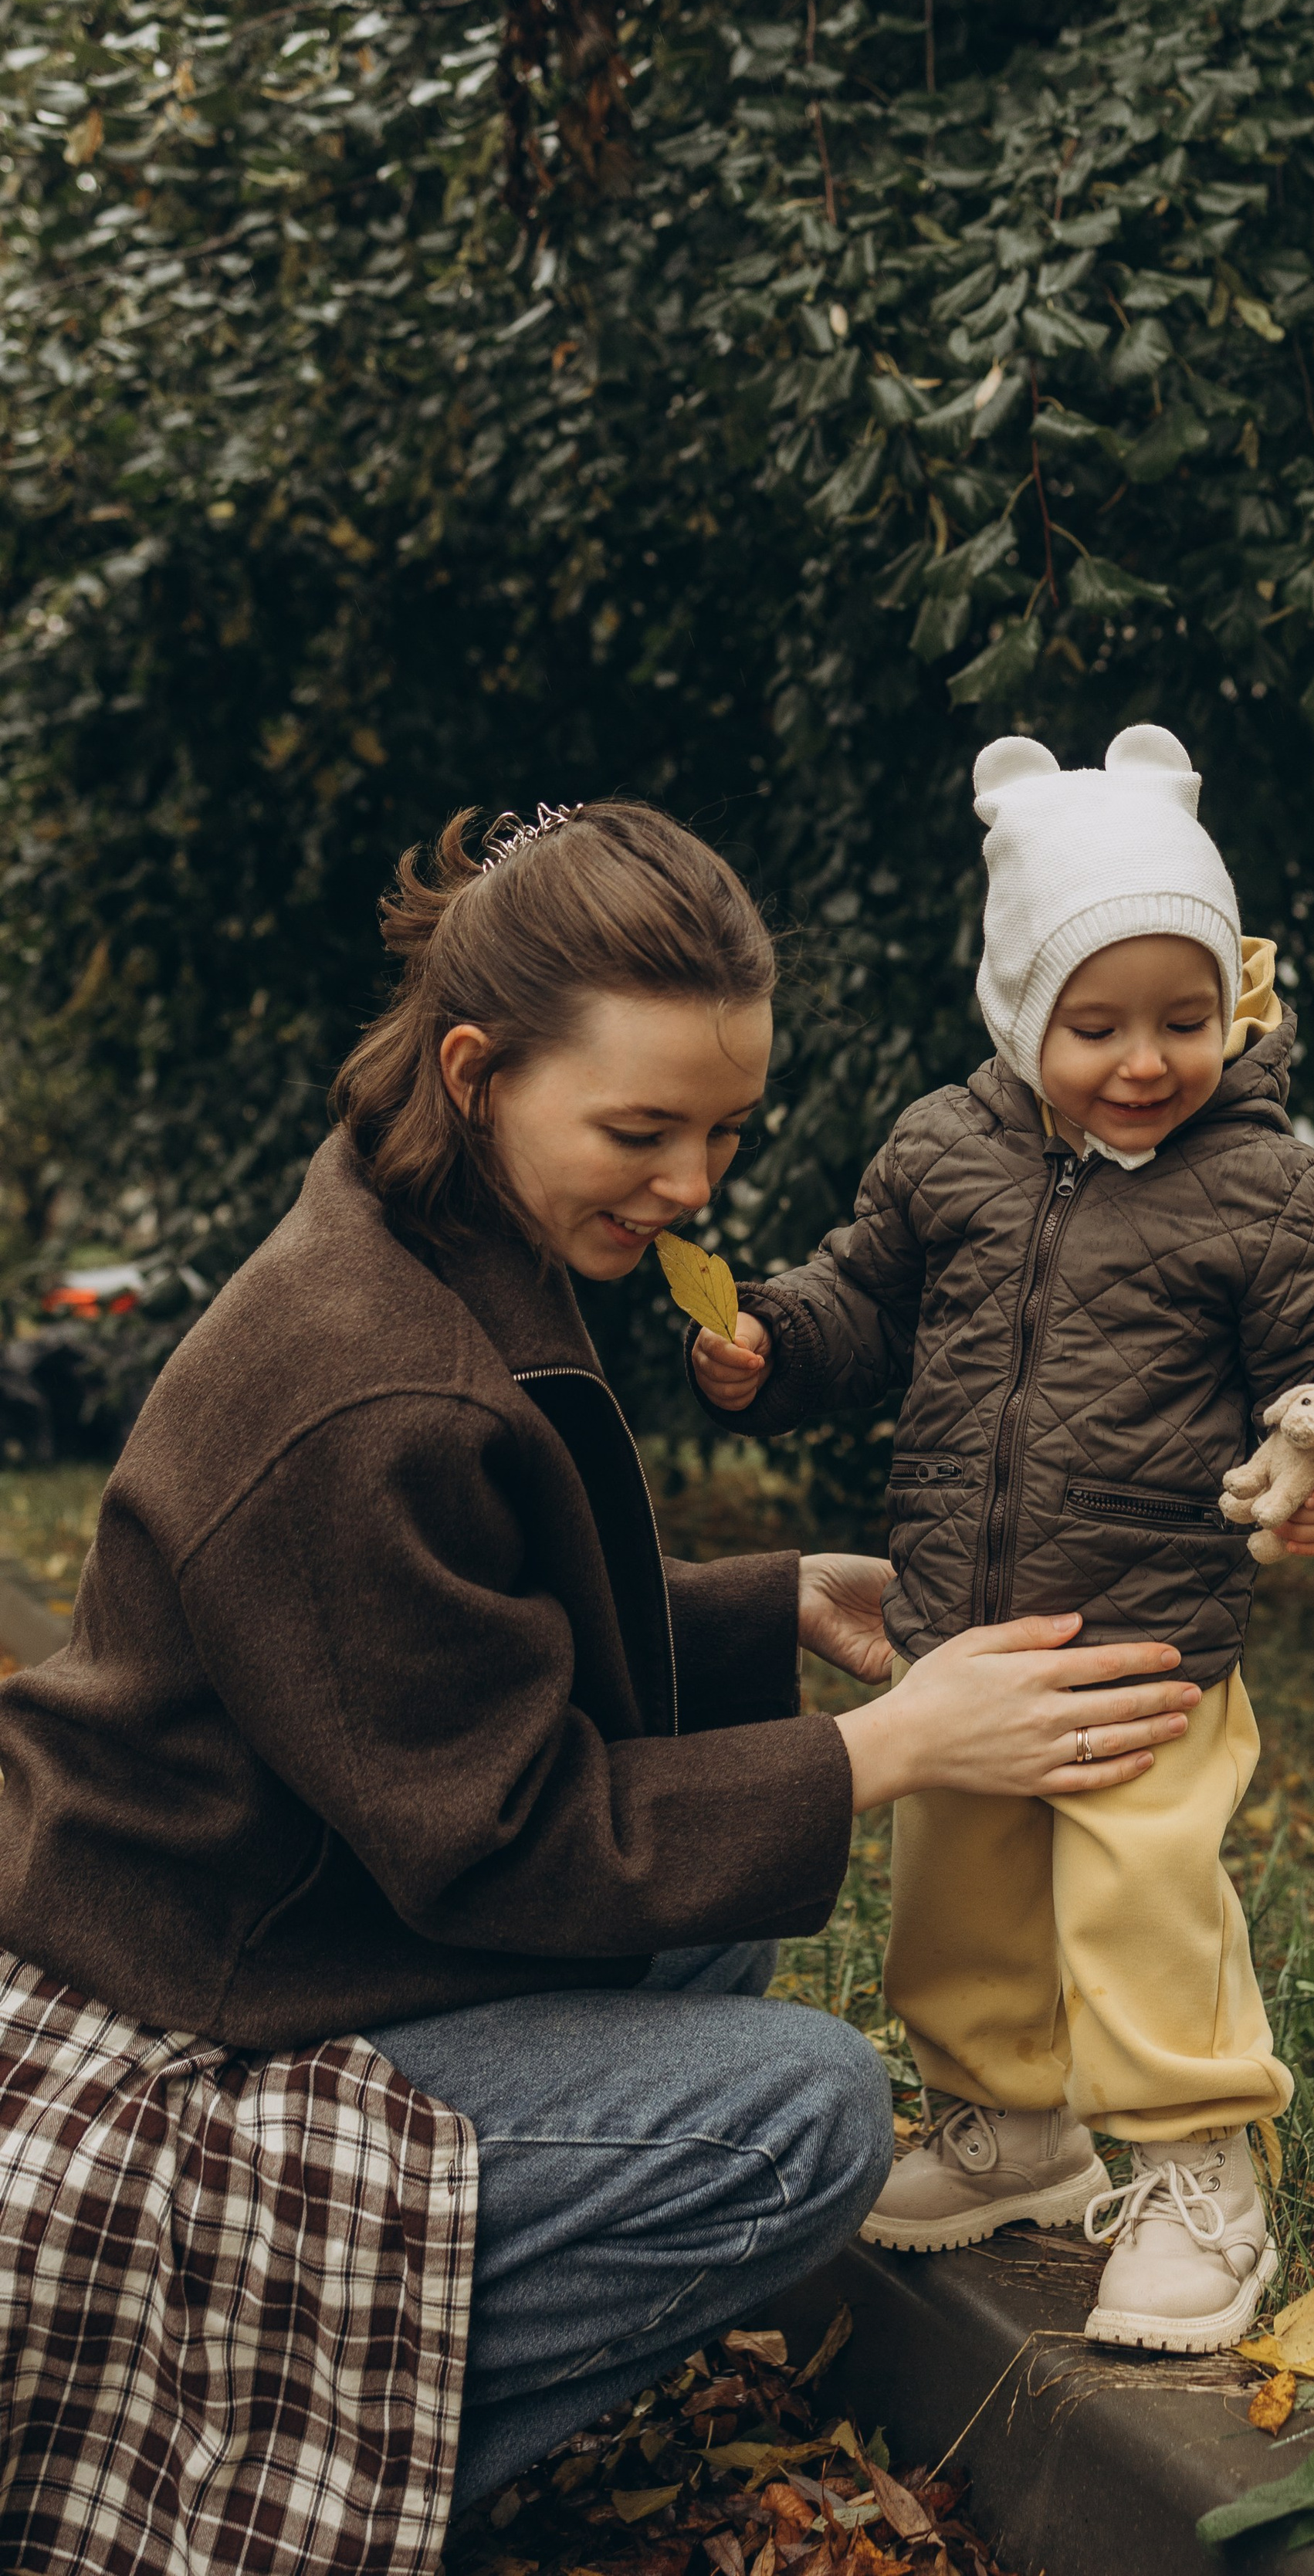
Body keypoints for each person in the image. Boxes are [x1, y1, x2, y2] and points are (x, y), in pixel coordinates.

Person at [0, 800, 1204, 2560]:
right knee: (804, 2116)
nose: (694, 1185)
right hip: (199, 2002)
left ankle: (368, 2397)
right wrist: (881, 1752)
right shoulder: (373, 1381)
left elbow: (438, 1652)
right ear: (480, 1068)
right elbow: (491, 1840)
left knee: (710, 1940)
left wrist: (762, 1604)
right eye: (641, 1129)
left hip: (303, 1907)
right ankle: (317, 2474)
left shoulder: (446, 1226)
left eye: (723, 1130)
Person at [693, 727, 1314, 2356]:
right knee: (957, 1894)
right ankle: (1007, 2124)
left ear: (1230, 1008)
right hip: (961, 1632)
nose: (1144, 1059)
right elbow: (857, 1299)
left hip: (1148, 1635)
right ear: (1019, 1008)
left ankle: (1192, 2171)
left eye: (1184, 1019)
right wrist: (768, 1341)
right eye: (1093, 1023)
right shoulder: (942, 1152)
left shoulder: (1261, 1185)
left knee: (1136, 1897)